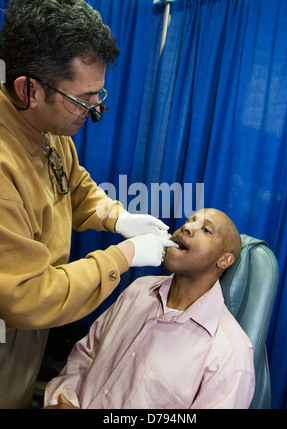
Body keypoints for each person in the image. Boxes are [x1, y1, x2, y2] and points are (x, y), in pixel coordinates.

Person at [0, 0, 177, 408]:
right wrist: (123, 256)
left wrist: (119, 218)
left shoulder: (45, 123)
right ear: (29, 89)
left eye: (99, 95)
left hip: (26, 344)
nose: (94, 111)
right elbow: (27, 294)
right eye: (82, 100)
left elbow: (73, 186)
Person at [44, 208, 255, 409]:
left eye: (206, 230)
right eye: (190, 221)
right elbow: (86, 354)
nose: (187, 228)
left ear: (224, 260)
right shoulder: (138, 290)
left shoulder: (231, 356)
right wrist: (64, 400)